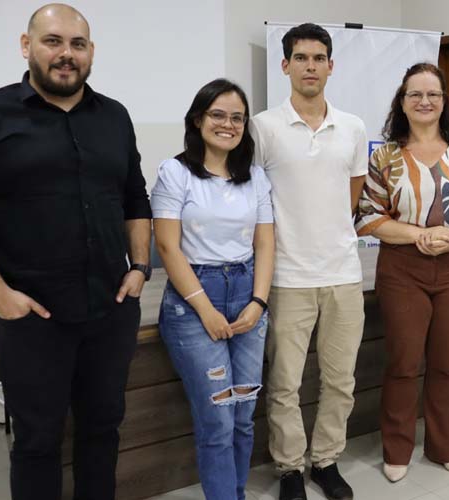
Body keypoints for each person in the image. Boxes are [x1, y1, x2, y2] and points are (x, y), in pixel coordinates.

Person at [0, 4, 151, 499]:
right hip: (32, 317)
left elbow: (135, 197)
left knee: (103, 432)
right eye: (53, 41)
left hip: (111, 308)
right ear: (26, 46)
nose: (65, 54)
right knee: (37, 442)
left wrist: (140, 265)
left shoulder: (114, 116)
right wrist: (2, 298)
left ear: (91, 53)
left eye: (77, 44)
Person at [356, 62, 449, 483]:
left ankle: (445, 447)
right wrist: (418, 235)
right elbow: (367, 216)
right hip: (402, 268)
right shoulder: (385, 155)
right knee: (403, 362)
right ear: (402, 103)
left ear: (443, 102)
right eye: (415, 94)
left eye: (432, 94)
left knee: (446, 363)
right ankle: (397, 448)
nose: (424, 101)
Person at [249, 23, 367, 500]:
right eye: (301, 58)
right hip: (287, 276)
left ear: (331, 66)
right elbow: (254, 201)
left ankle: (326, 461)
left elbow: (352, 199)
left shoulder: (354, 127)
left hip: (343, 274)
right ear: (286, 66)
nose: (310, 66)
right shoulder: (262, 126)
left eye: (319, 58)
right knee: (284, 383)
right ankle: (290, 469)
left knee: (340, 380)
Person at [151, 79, 274, 500]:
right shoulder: (176, 172)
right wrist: (205, 309)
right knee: (218, 419)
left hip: (246, 293)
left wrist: (259, 301)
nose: (228, 124)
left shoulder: (255, 177)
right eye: (218, 115)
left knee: (243, 415)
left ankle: (235, 492)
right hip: (193, 301)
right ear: (198, 119)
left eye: (237, 117)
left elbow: (265, 242)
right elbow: (167, 246)